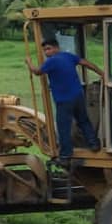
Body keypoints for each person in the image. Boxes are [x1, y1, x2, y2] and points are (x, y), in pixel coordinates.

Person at [26, 37, 104, 166]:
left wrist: (29, 63)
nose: (47, 52)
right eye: (45, 50)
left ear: (56, 48)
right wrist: (101, 72)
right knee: (83, 120)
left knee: (64, 128)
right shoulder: (68, 56)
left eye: (49, 49)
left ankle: (65, 155)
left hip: (64, 100)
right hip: (78, 96)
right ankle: (94, 144)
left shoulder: (51, 61)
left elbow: (37, 72)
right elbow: (85, 63)